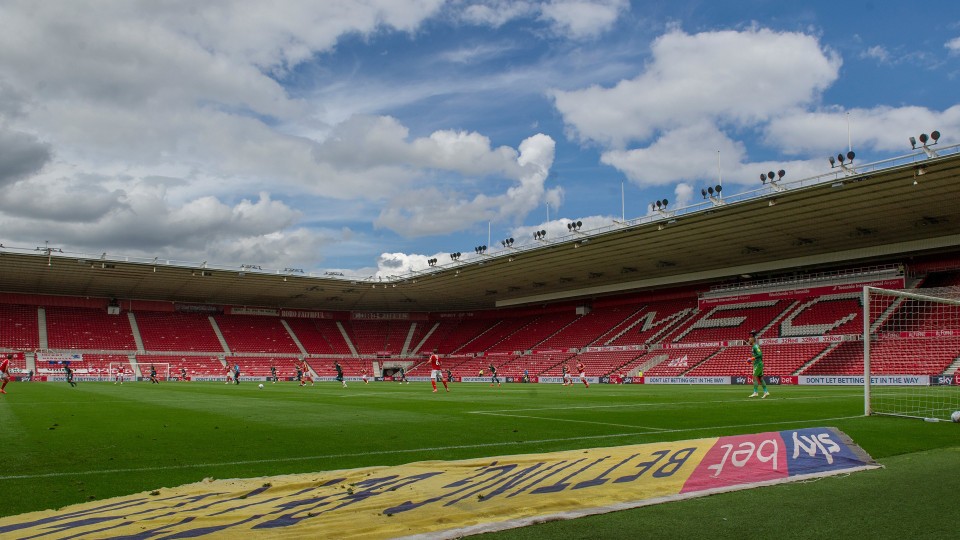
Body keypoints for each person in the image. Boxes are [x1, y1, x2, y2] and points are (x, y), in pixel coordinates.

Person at [747, 331, 769, 398]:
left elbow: (760, 354)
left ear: (752, 340)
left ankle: (755, 392)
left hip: (758, 364)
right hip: (757, 363)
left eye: (749, 340)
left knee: (754, 377)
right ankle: (766, 392)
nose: (748, 341)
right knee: (761, 378)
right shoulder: (753, 347)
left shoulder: (755, 346)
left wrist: (752, 358)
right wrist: (751, 360)